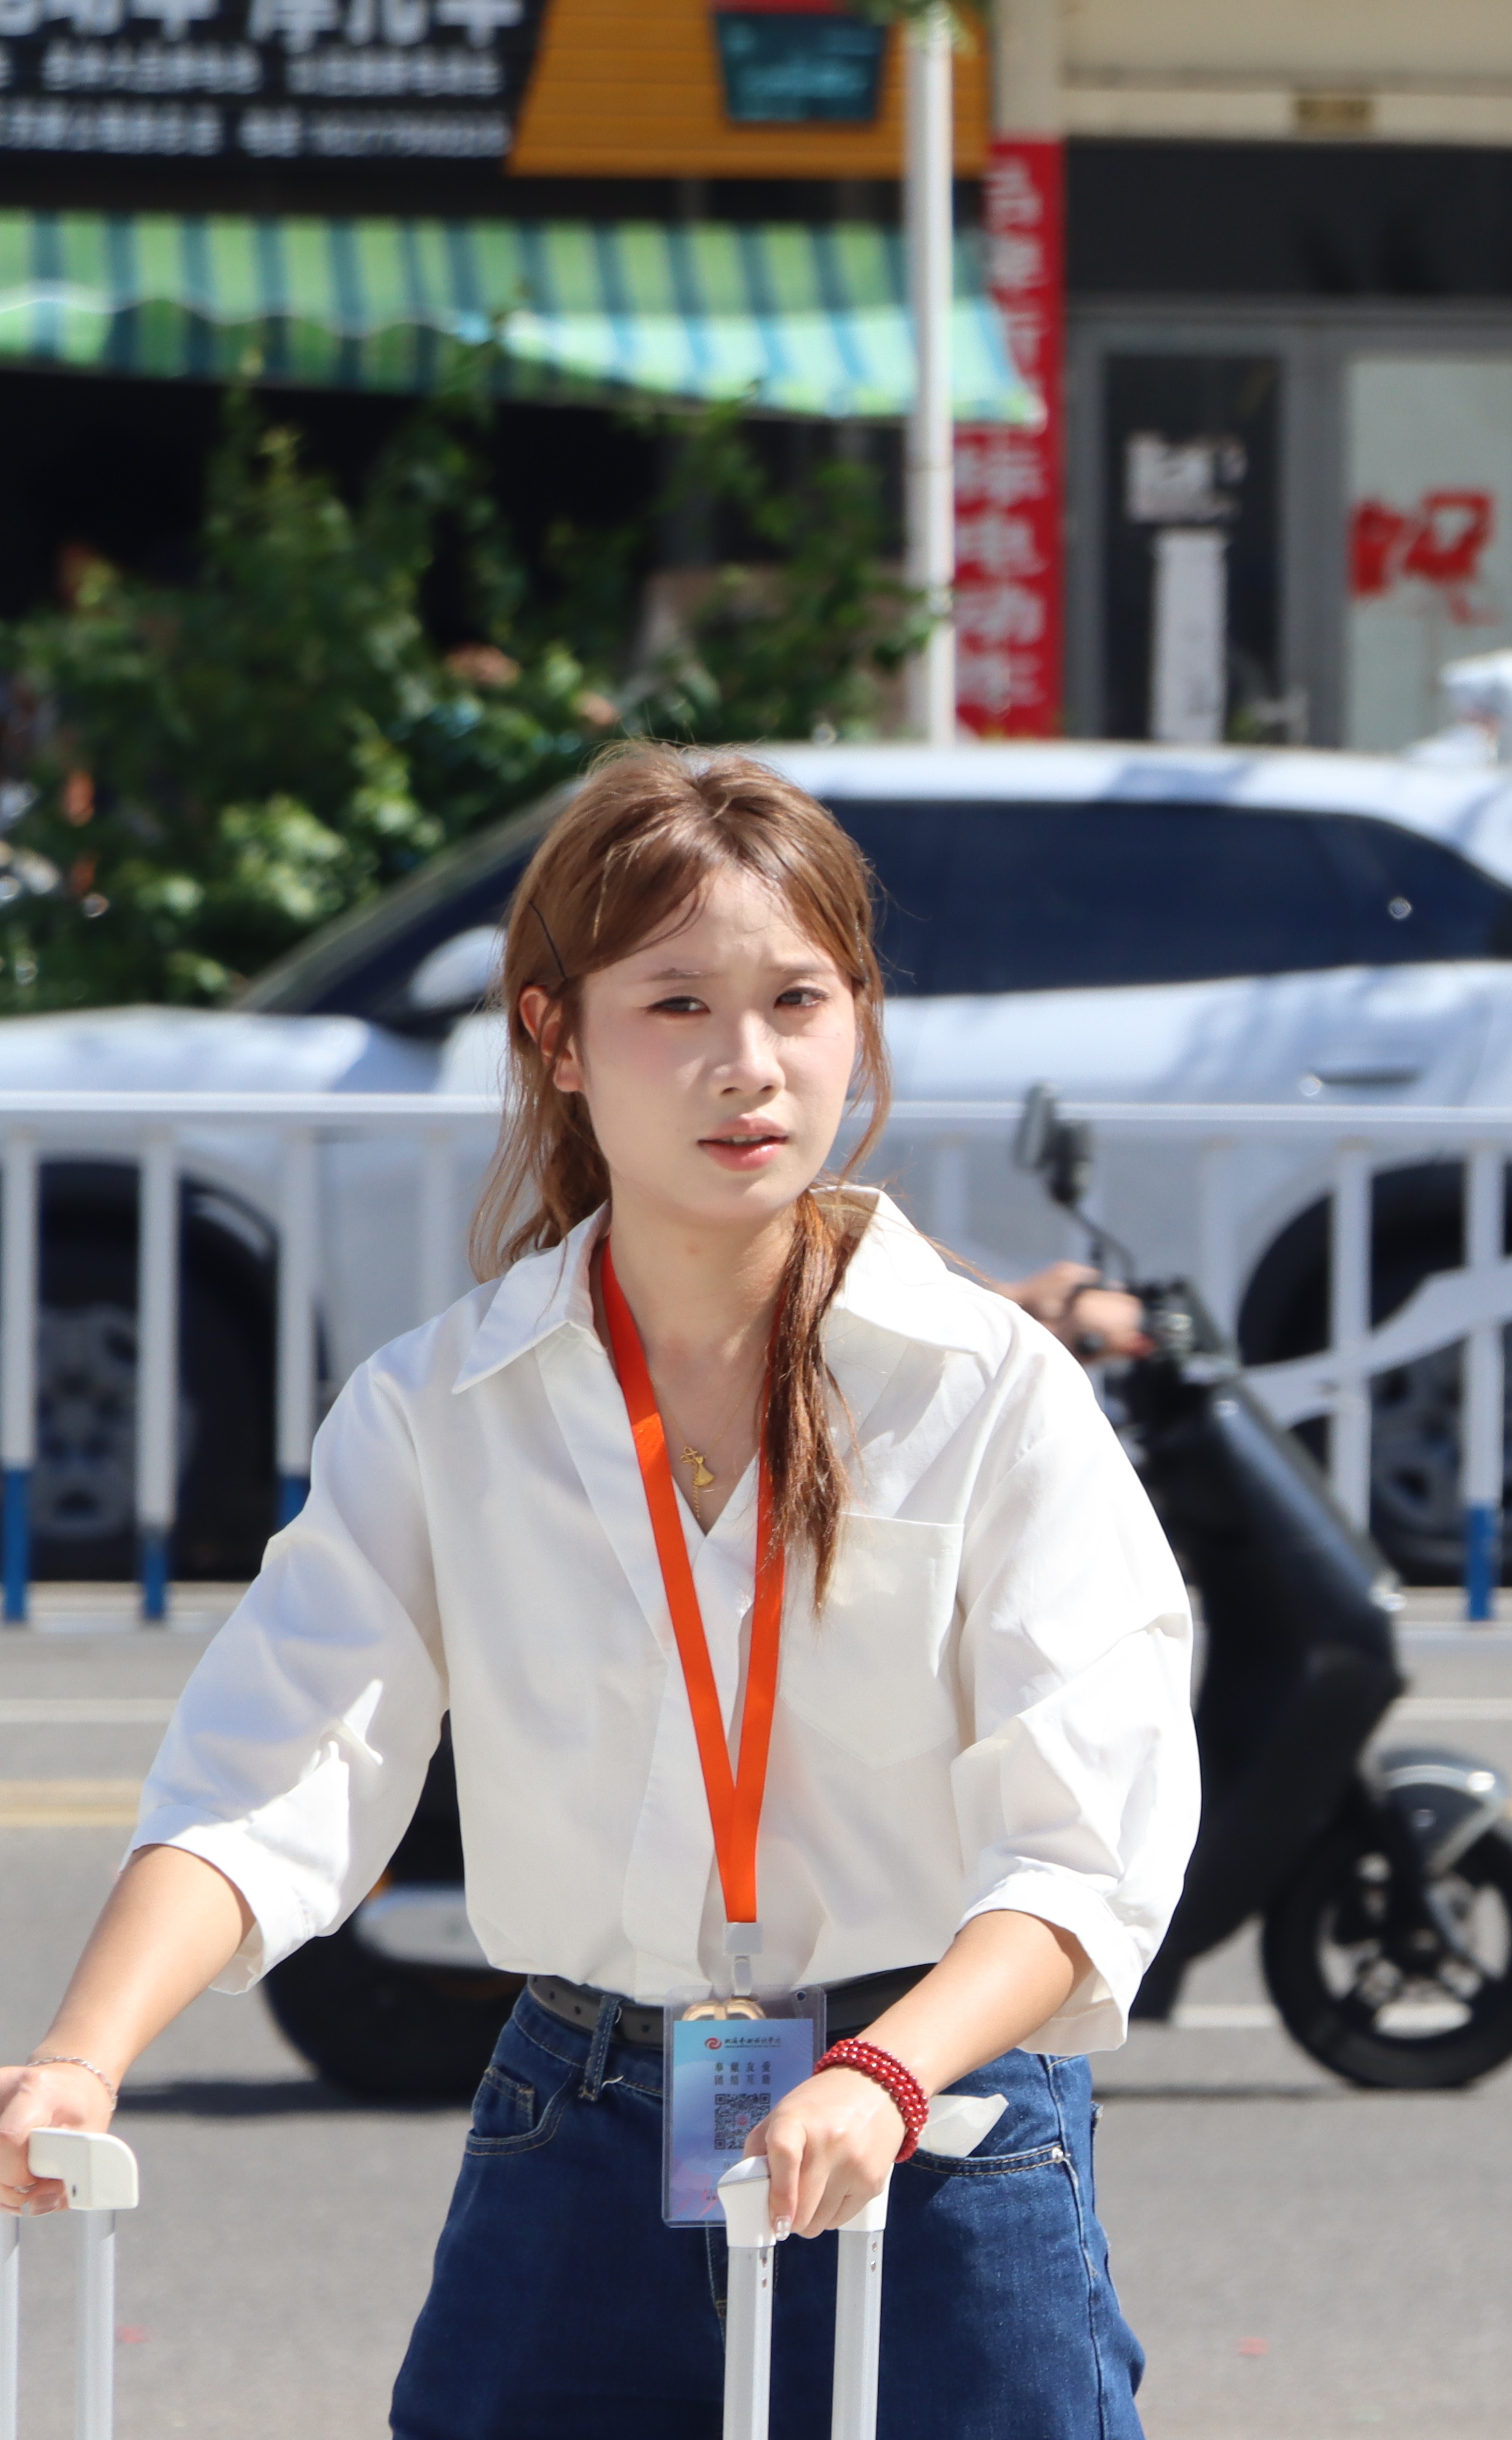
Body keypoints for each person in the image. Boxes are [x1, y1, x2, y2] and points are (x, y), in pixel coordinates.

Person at [0, 746, 1199, 2439]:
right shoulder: (443, 1406)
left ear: (858, 1020)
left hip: (932, 2141)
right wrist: (81, 2055)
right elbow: (276, 1767)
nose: (747, 1064)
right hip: (575, 2129)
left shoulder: (986, 1389)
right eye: (676, 1005)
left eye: (797, 1001)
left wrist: (885, 2068)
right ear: (556, 1038)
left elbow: (1088, 1839)